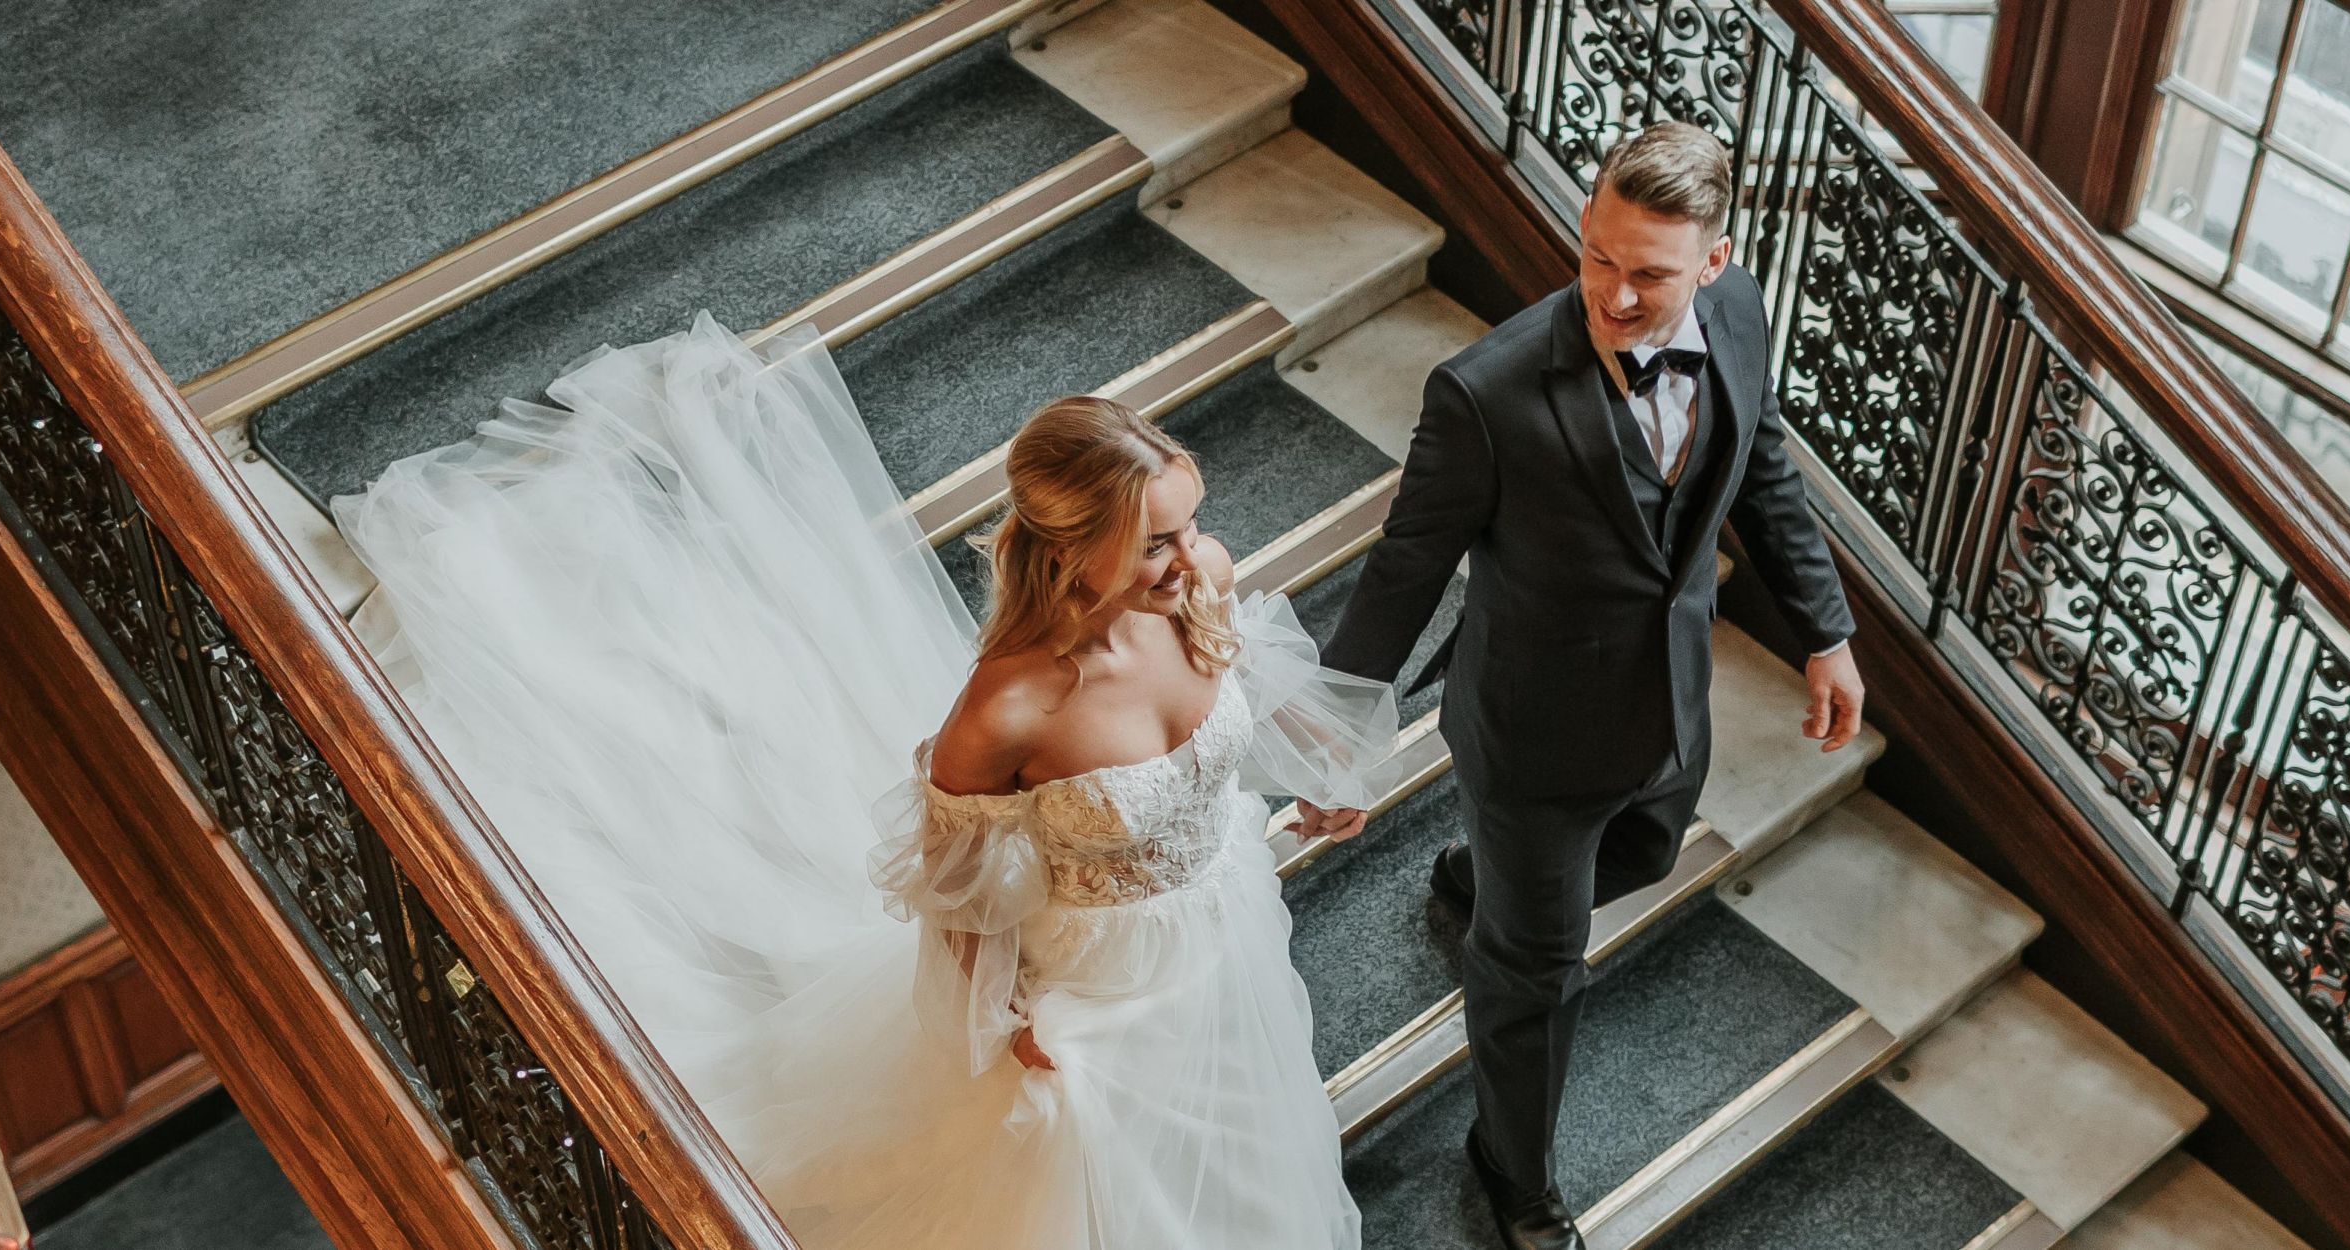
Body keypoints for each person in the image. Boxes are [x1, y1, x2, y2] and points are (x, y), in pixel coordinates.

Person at [331, 319, 1405, 1247]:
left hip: (1224, 916)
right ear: (1070, 551)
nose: (1189, 556)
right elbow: (960, 894)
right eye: (1152, 542)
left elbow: (1247, 670)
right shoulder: (1009, 707)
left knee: (1229, 1120)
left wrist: (1319, 767)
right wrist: (1003, 1029)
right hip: (1096, 978)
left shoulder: (1200, 580)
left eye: (1188, 523)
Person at [1317, 121, 1863, 1250]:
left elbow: (1761, 461)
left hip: (1668, 705)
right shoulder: (1485, 392)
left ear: (1713, 263)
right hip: (1529, 734)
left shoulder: (1742, 313)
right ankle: (1511, 1173)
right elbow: (1404, 568)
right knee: (1537, 975)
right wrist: (1330, 737)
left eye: (1649, 272)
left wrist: (1824, 630)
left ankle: (1478, 881)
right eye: (1597, 256)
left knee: (1647, 854)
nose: (1614, 293)